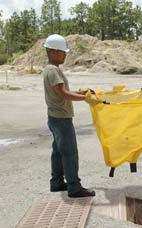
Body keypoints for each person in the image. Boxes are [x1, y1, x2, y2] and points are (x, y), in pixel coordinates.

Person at [43, 34, 102, 198]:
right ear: (54, 52)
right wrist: (86, 98)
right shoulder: (53, 71)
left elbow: (64, 92)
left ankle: (56, 183)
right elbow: (63, 94)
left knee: (58, 152)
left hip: (53, 117)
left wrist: (80, 92)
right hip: (61, 119)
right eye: (63, 52)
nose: (65, 54)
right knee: (69, 152)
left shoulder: (50, 69)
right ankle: (74, 187)